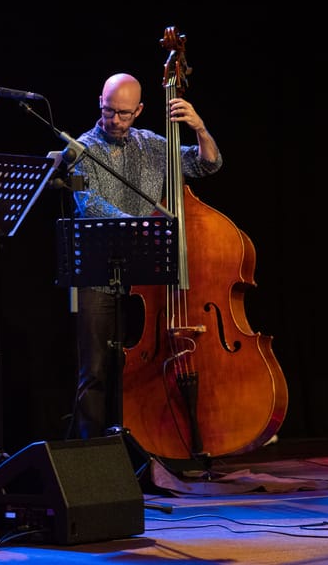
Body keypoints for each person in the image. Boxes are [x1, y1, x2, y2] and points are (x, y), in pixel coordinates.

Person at [70, 72, 223, 440]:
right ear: (100, 104)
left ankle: (145, 441)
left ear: (139, 110)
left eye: (124, 113)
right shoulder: (81, 148)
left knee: (142, 366)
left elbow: (207, 165)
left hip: (146, 278)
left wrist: (200, 129)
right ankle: (92, 454)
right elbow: (87, 203)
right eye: (109, 112)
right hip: (97, 274)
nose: (115, 121)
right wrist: (138, 225)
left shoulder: (154, 145)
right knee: (95, 370)